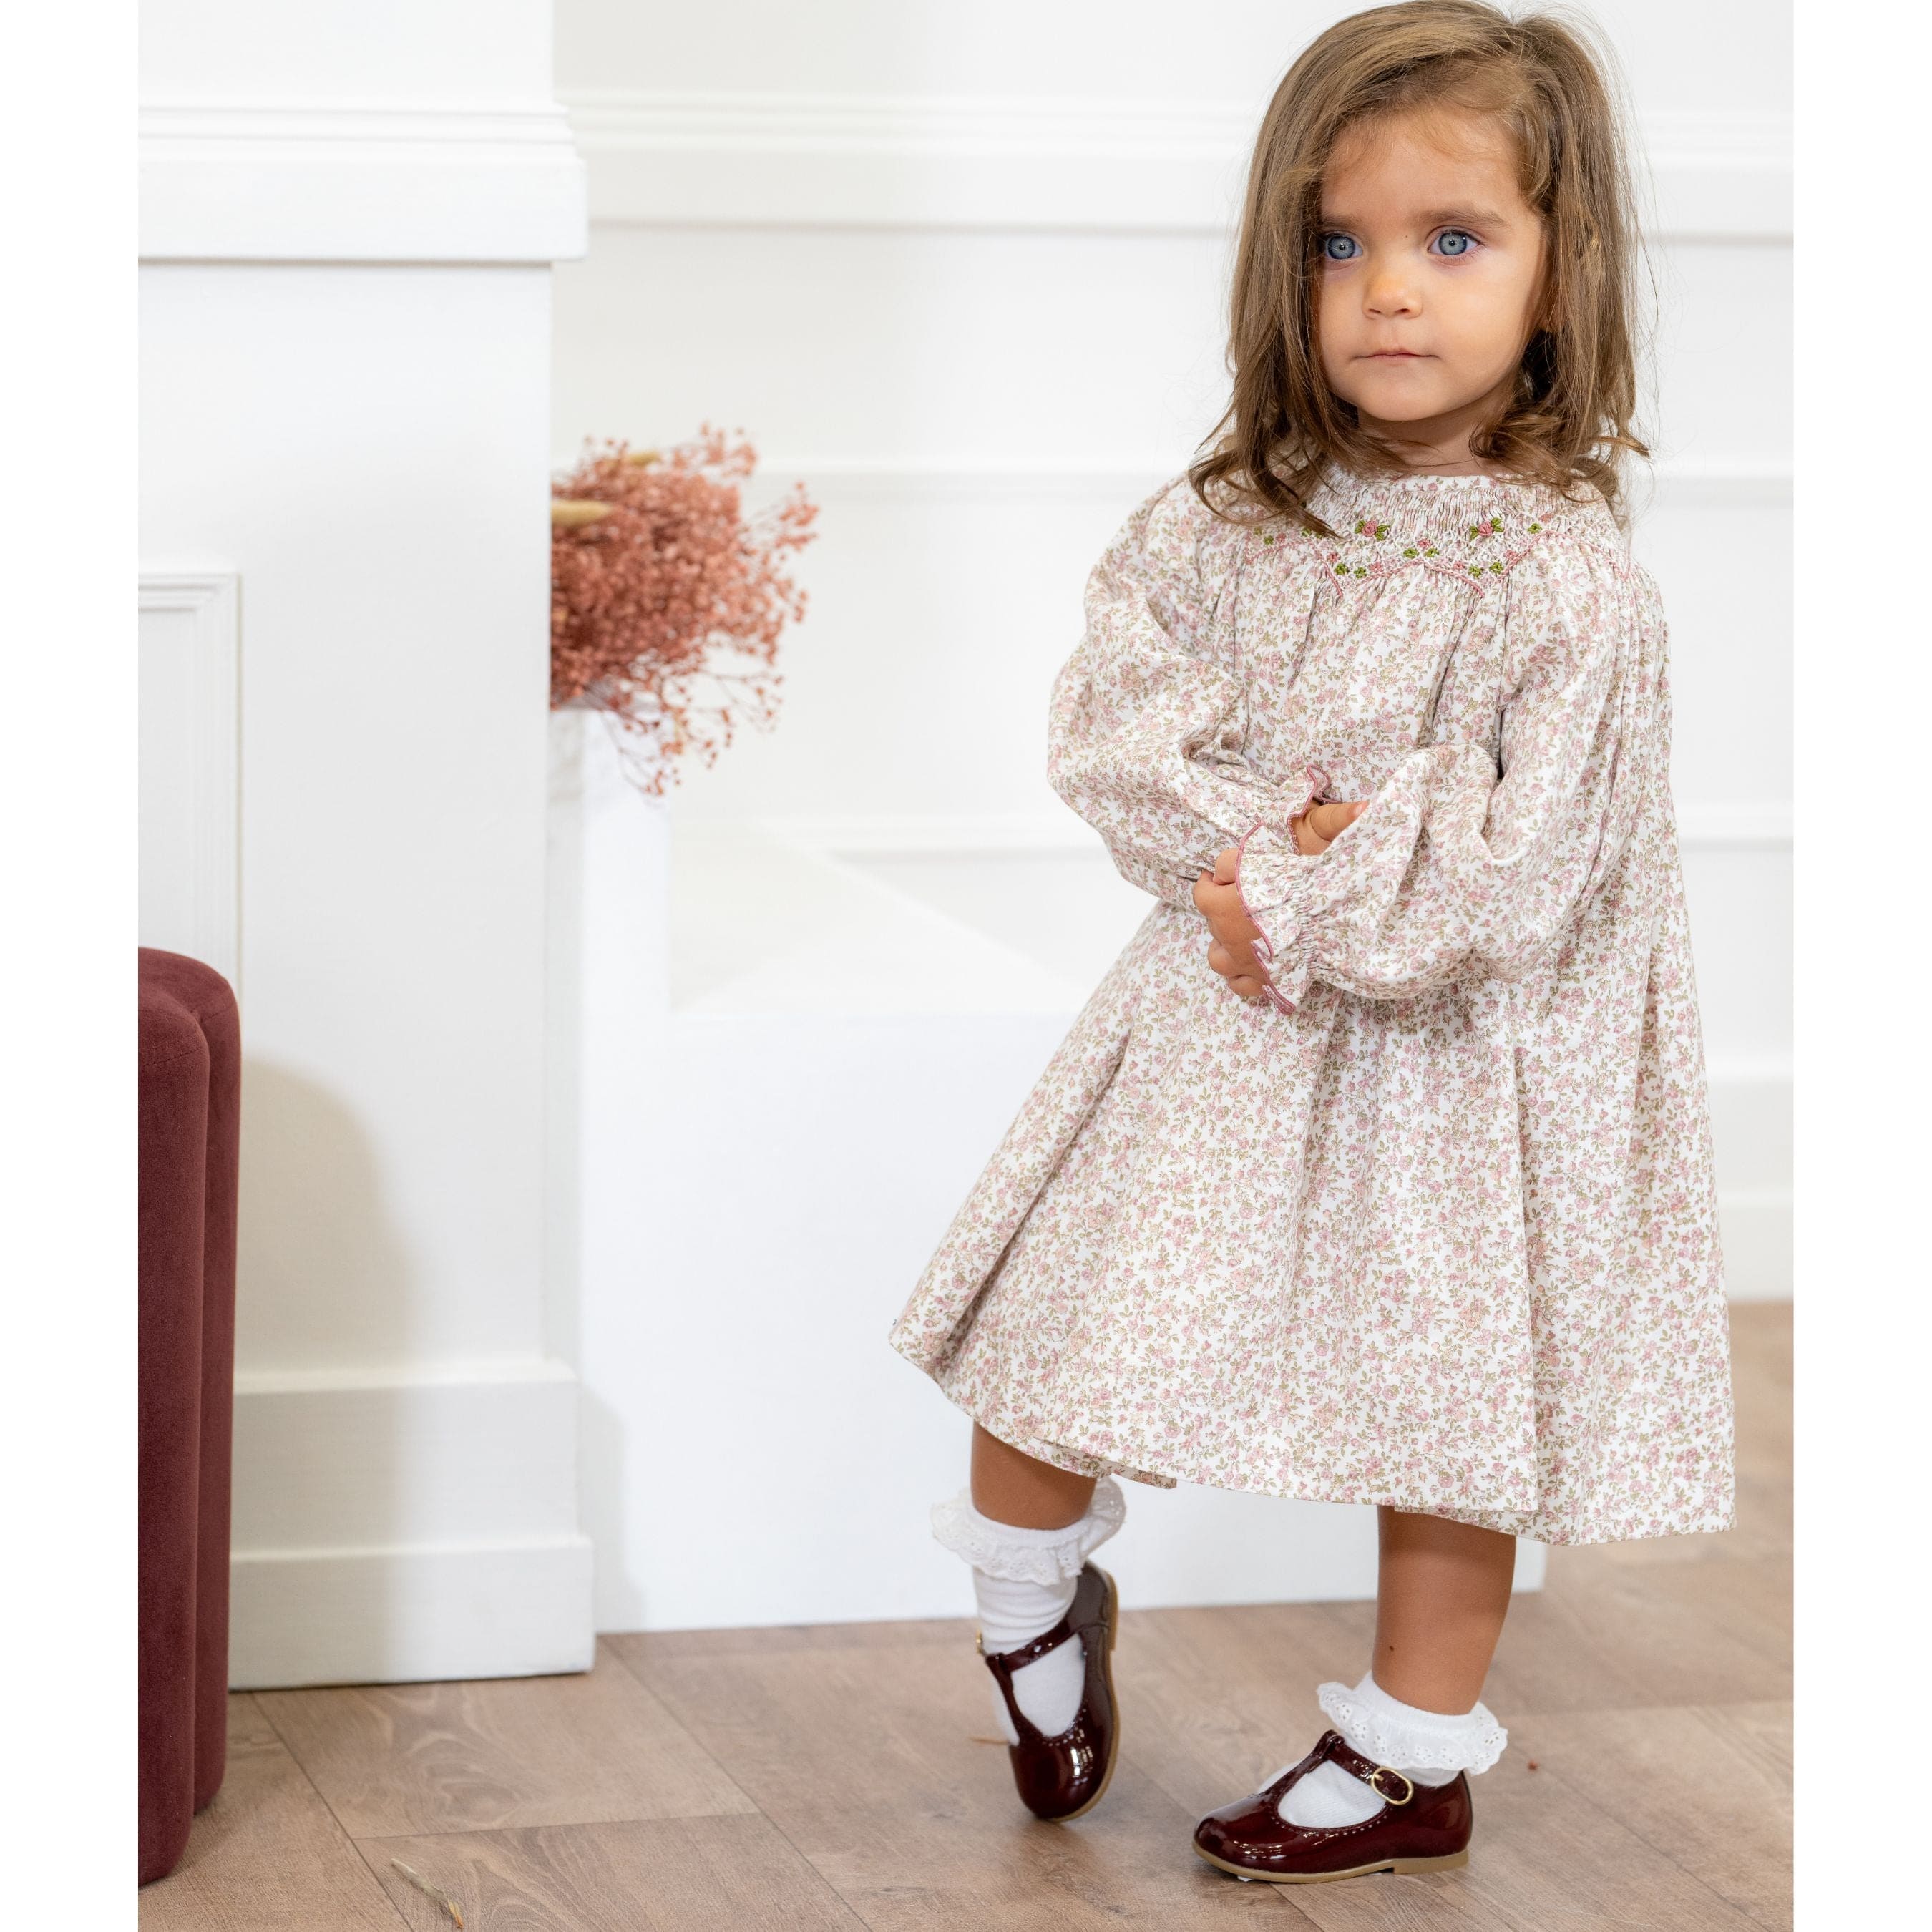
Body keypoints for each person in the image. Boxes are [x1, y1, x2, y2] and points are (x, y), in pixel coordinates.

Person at [887, 0, 1735, 1888]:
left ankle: (1410, 1752)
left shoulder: (1565, 581)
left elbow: (1513, 870)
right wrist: (1292, 853)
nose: (1387, 291)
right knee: (1063, 1322)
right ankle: (1028, 1600)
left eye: (1454, 239)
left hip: (1456, 1073)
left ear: (1560, 267)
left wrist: (1318, 870)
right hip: (1226, 1011)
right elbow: (1121, 726)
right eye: (1339, 242)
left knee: (1445, 1417)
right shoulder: (1223, 523)